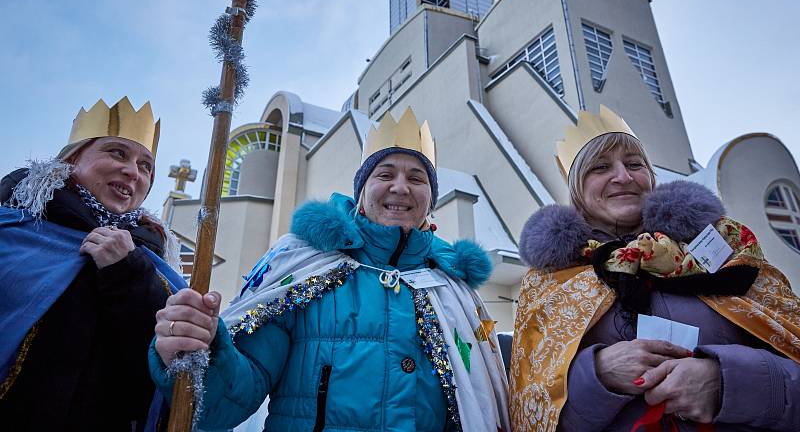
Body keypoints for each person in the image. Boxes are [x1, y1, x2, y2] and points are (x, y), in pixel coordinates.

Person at [150, 107, 510, 431]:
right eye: (385, 174)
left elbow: (478, 406)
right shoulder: (302, 266)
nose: (400, 188)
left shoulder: (454, 292)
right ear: (362, 192)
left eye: (417, 179)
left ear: (430, 200)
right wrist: (203, 350)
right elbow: (229, 400)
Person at [510, 106, 800, 432]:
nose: (623, 176)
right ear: (577, 190)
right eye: (601, 167)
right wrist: (598, 373)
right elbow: (530, 411)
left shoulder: (725, 250)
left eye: (634, 164)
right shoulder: (551, 281)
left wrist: (728, 383)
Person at [0, 97, 184, 432]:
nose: (133, 171)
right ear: (72, 159)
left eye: (146, 166)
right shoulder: (10, 229)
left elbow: (157, 374)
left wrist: (129, 275)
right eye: (117, 152)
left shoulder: (153, 265)